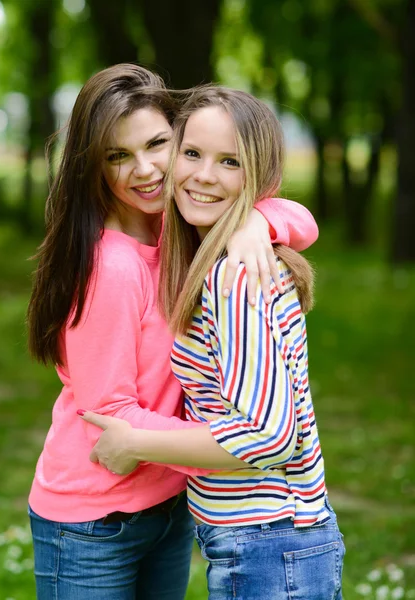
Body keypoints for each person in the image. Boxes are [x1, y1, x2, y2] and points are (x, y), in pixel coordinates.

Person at [27, 64, 319, 600]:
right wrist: (221, 448)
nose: (145, 169)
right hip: (98, 515)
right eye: (118, 155)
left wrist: (259, 221)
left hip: (170, 498)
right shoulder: (113, 266)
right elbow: (109, 419)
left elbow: (300, 218)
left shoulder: (181, 227)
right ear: (92, 167)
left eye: (158, 144)